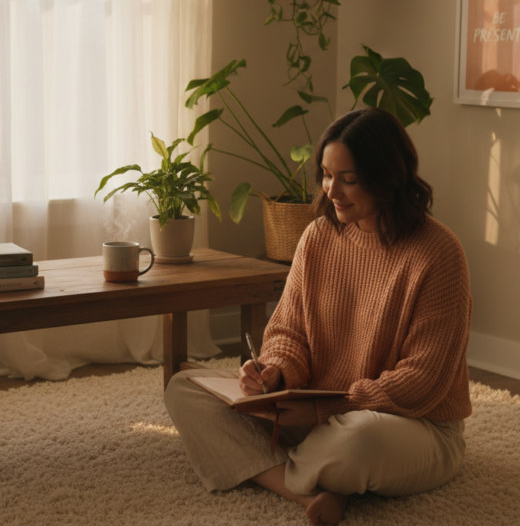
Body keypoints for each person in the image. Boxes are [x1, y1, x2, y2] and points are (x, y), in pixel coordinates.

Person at [164, 108, 472, 526]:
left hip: (409, 426)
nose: (332, 190)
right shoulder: (318, 237)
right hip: (315, 408)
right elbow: (289, 331)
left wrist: (325, 411)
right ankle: (310, 490)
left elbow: (423, 382)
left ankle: (283, 466)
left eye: (348, 178)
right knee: (185, 388)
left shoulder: (439, 252)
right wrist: (274, 372)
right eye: (326, 175)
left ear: (386, 175)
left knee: (358, 441)